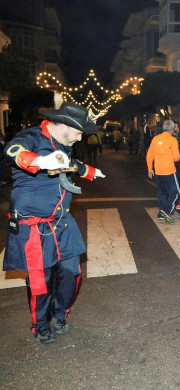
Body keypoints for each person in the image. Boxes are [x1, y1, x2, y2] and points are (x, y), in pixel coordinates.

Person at [2, 102, 105, 344]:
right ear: (64, 125)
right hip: (34, 226)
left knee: (72, 273)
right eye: (79, 132)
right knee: (41, 280)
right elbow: (12, 150)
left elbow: (71, 165)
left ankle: (60, 314)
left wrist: (90, 171)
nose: (80, 138)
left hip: (62, 221)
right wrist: (39, 161)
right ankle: (40, 325)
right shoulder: (32, 137)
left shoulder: (65, 144)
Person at [146, 120, 180, 223]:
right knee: (175, 192)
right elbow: (176, 158)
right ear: (172, 129)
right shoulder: (172, 140)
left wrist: (150, 169)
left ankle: (161, 212)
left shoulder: (156, 139)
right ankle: (167, 211)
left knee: (162, 192)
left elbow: (149, 155)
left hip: (158, 171)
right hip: (169, 171)